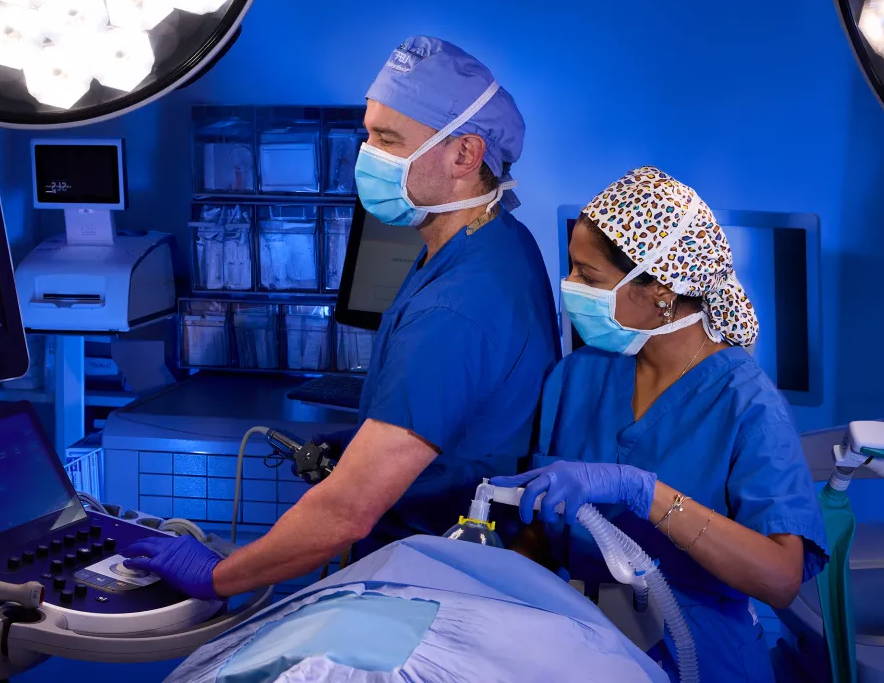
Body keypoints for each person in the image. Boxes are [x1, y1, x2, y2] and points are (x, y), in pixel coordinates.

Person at [118, 36, 560, 601]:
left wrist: (215, 576)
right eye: (368, 134)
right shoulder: (491, 241)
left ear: (465, 155)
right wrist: (369, 440)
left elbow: (348, 511)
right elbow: (464, 411)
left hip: (437, 575)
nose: (366, 154)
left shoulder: (458, 305)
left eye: (388, 140)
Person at [492, 167, 826, 683]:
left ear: (661, 290)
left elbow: (780, 579)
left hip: (701, 656)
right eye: (572, 269)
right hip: (582, 645)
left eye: (589, 277)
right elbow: (544, 530)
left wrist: (645, 493)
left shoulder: (747, 404)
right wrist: (488, 590)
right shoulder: (579, 375)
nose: (569, 287)